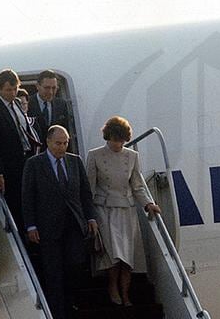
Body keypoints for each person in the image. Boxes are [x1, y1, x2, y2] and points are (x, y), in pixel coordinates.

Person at [22, 125, 98, 319]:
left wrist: (90, 217)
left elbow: (85, 193)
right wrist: (31, 225)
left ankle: (70, 303)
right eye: (58, 143)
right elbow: (28, 197)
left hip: (73, 225)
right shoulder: (34, 164)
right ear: (48, 142)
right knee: (53, 271)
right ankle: (57, 312)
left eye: (65, 143)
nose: (62, 147)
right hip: (48, 228)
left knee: (75, 266)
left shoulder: (75, 162)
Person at [86, 116, 161, 306]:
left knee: (127, 257)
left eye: (121, 140)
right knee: (113, 255)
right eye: (114, 140)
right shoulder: (94, 155)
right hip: (105, 209)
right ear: (108, 137)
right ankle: (113, 288)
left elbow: (137, 185)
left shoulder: (132, 156)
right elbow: (89, 187)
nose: (118, 144)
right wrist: (89, 215)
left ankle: (125, 294)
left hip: (126, 209)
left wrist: (148, 204)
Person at [0, 69, 40, 228]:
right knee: (16, 202)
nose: (13, 93)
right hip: (9, 166)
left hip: (26, 159)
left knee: (30, 199)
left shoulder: (16, 104)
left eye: (15, 89)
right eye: (8, 90)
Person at [27, 70, 72, 148]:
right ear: (37, 86)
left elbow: (66, 131)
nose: (50, 92)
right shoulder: (27, 104)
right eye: (47, 88)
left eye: (54, 88)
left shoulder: (61, 104)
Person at [17, 88, 42, 154]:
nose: (22, 106)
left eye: (24, 103)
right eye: (19, 104)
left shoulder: (34, 122)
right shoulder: (12, 124)